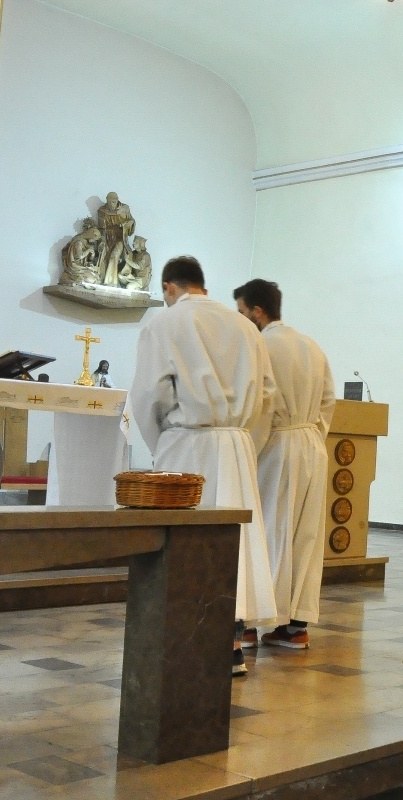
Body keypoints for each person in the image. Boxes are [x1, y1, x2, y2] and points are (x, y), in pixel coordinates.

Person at [131, 256, 277, 677]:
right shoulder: (245, 327)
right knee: (236, 543)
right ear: (203, 286)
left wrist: (162, 442)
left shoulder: (165, 322)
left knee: (187, 544)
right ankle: (231, 643)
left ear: (169, 287)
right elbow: (268, 395)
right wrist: (245, 440)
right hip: (237, 445)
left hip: (187, 445)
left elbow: (150, 394)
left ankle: (193, 640)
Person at [235, 278, 336, 652]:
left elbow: (260, 405)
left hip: (276, 446)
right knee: (304, 537)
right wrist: (312, 435)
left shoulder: (261, 345)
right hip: (311, 445)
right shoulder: (311, 345)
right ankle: (295, 628)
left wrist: (249, 449)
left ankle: (248, 626)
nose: (241, 319)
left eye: (242, 312)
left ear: (258, 311)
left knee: (265, 534)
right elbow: (328, 401)